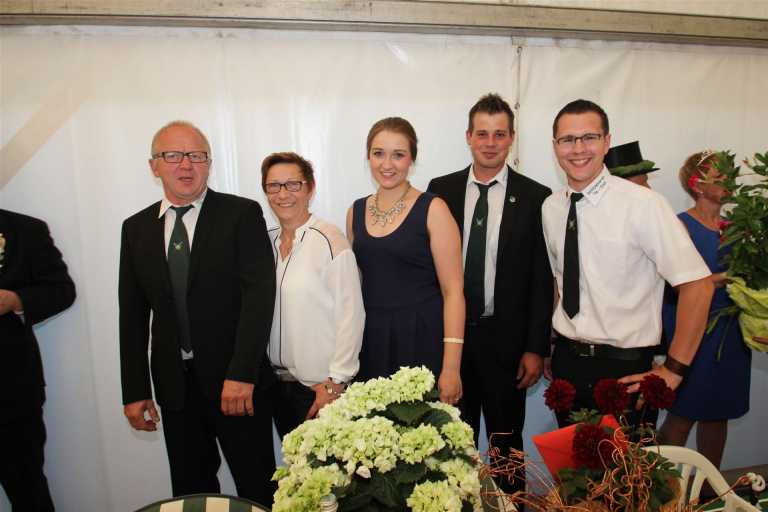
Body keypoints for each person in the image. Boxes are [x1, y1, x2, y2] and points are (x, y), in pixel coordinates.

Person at [119, 121, 276, 504]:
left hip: (235, 385)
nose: (186, 165)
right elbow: (132, 315)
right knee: (191, 495)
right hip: (175, 389)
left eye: (196, 155)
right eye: (173, 155)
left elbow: (259, 299)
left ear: (209, 163)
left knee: (258, 488)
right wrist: (135, 390)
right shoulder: (136, 228)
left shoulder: (241, 214)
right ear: (154, 166)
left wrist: (242, 373)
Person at [542, 99, 714, 427]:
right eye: (567, 139)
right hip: (567, 364)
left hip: (626, 370)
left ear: (607, 142)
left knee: (627, 462)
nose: (578, 148)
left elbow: (699, 286)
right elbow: (560, 281)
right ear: (555, 146)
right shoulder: (551, 208)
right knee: (573, 460)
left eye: (589, 137)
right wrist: (550, 345)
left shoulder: (644, 204)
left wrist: (674, 369)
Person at [427, 93, 553, 491]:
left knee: (506, 446)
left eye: (499, 134)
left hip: (507, 345)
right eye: (482, 133)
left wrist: (536, 348)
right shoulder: (440, 191)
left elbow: (542, 280)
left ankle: (511, 504)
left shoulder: (536, 196)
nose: (490, 142)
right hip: (452, 341)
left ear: (512, 138)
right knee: (452, 444)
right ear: (468, 136)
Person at [347, 117, 465, 405]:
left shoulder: (434, 209)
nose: (387, 164)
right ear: (368, 156)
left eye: (398, 155)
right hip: (371, 341)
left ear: (412, 158)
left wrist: (451, 368)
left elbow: (453, 292)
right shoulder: (355, 211)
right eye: (378, 153)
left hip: (421, 338)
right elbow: (354, 287)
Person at [658, 150, 751, 471]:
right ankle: (660, 487)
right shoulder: (679, 226)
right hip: (694, 333)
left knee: (717, 414)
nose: (729, 181)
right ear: (697, 185)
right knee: (682, 414)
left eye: (731, 174)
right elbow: (675, 284)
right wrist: (725, 278)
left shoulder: (737, 227)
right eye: (720, 176)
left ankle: (710, 489)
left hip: (731, 334)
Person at [262, 152, 365, 437]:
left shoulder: (330, 239)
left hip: (319, 389)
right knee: (294, 465)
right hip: (277, 386)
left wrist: (336, 382)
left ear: (310, 188)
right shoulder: (265, 243)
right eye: (274, 186)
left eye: (293, 184)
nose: (283, 194)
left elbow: (352, 315)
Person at [0, 210, 76, 512]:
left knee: (28, 492)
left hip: (10, 392)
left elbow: (62, 290)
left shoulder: (24, 229)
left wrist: (15, 300)